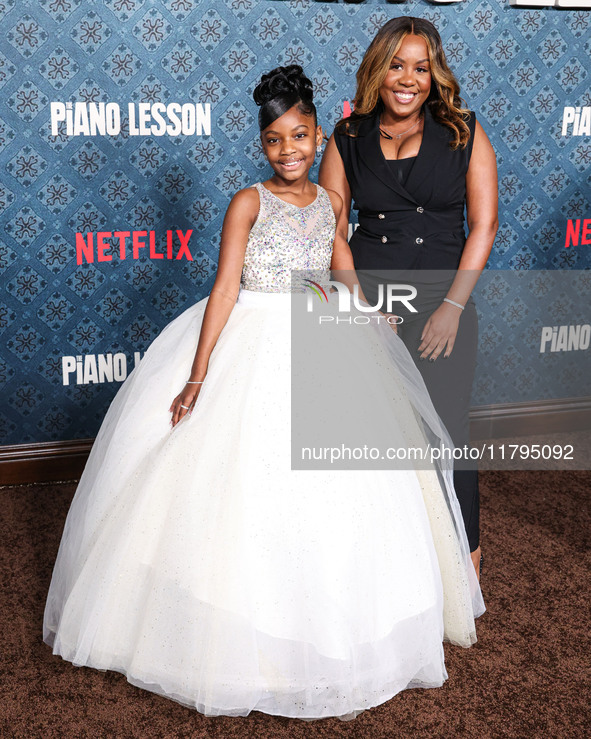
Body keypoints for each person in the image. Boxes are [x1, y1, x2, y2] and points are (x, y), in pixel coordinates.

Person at [43, 65, 484, 720]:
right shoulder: (247, 202)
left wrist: (362, 313)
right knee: (237, 487)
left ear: (316, 138)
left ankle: (322, 625)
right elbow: (226, 286)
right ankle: (233, 629)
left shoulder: (332, 203)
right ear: (262, 146)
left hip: (312, 332)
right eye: (274, 140)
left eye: (300, 137)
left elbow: (334, 268)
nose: (288, 151)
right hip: (249, 334)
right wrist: (197, 374)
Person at [319, 17, 498, 580]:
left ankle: (466, 556)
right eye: (397, 65)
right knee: (374, 433)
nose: (408, 79)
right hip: (374, 305)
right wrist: (364, 311)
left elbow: (484, 225)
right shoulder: (346, 138)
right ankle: (385, 565)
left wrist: (452, 309)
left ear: (434, 74)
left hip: (445, 302)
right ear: (378, 69)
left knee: (448, 429)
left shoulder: (464, 132)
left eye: (421, 68)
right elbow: (331, 231)